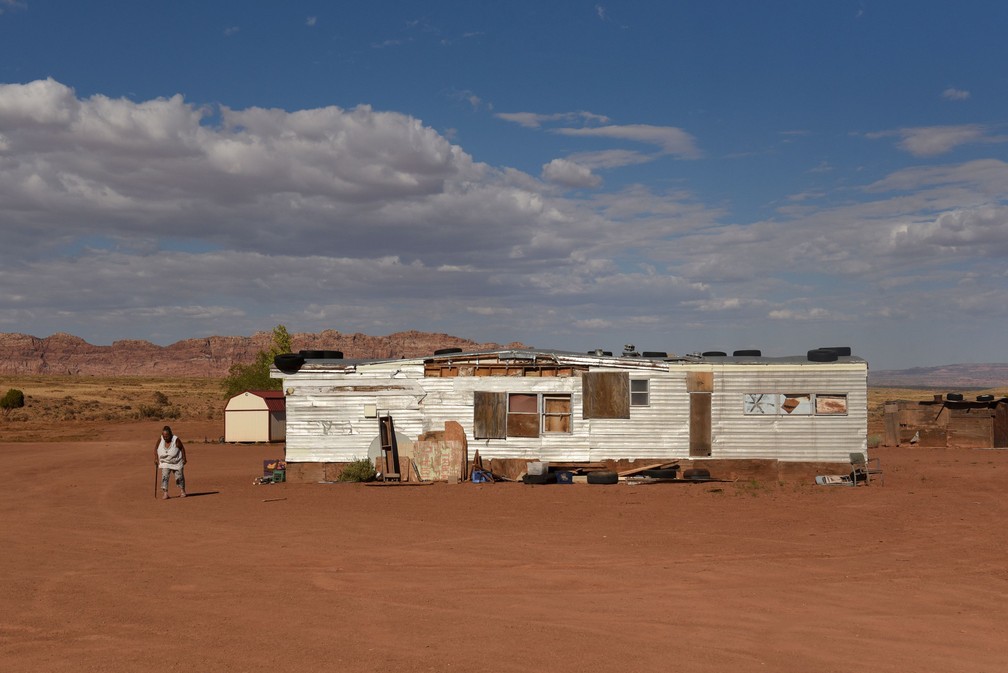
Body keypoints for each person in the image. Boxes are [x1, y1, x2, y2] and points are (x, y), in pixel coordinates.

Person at [154, 425, 187, 499]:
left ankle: (182, 491)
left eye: (167, 436)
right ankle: (165, 493)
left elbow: (182, 448)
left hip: (176, 461)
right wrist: (156, 458)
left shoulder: (176, 439)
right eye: (164, 435)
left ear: (171, 434)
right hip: (165, 462)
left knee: (179, 477)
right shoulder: (161, 439)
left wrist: (184, 458)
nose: (165, 437)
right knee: (164, 477)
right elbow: (156, 448)